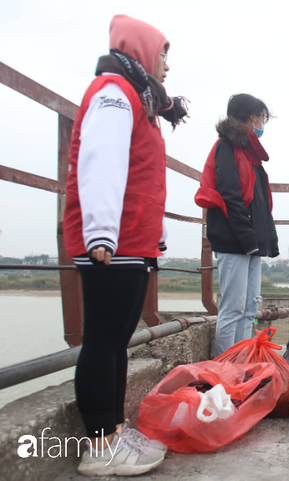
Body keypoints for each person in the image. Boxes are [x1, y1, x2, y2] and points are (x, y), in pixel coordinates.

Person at [63, 14, 187, 476]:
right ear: (141, 51)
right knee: (102, 340)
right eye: (163, 55)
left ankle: (114, 430)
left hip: (131, 240)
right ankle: (100, 446)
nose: (167, 67)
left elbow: (143, 177)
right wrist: (100, 232)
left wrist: (155, 234)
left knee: (116, 341)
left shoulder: (138, 98)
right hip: (110, 242)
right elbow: (102, 162)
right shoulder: (115, 93)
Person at [195, 94, 279, 357]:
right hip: (234, 240)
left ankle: (241, 363)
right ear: (253, 117)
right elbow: (229, 194)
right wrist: (247, 239)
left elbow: (260, 204)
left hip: (250, 242)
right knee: (232, 308)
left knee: (249, 308)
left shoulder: (251, 154)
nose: (263, 123)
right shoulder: (227, 147)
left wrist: (263, 242)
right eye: (262, 117)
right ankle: (224, 367)